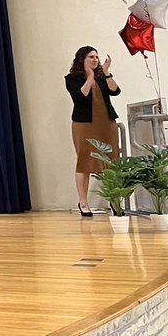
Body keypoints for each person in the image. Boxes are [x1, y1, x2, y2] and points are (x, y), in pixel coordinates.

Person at [66, 46, 121, 217]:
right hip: (84, 125)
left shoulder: (102, 77)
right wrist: (89, 78)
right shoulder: (72, 78)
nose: (95, 60)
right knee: (84, 162)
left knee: (111, 162)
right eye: (91, 57)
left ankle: (114, 200)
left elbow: (116, 91)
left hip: (106, 124)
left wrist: (106, 72)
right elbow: (80, 97)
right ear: (82, 59)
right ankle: (83, 202)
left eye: (97, 57)